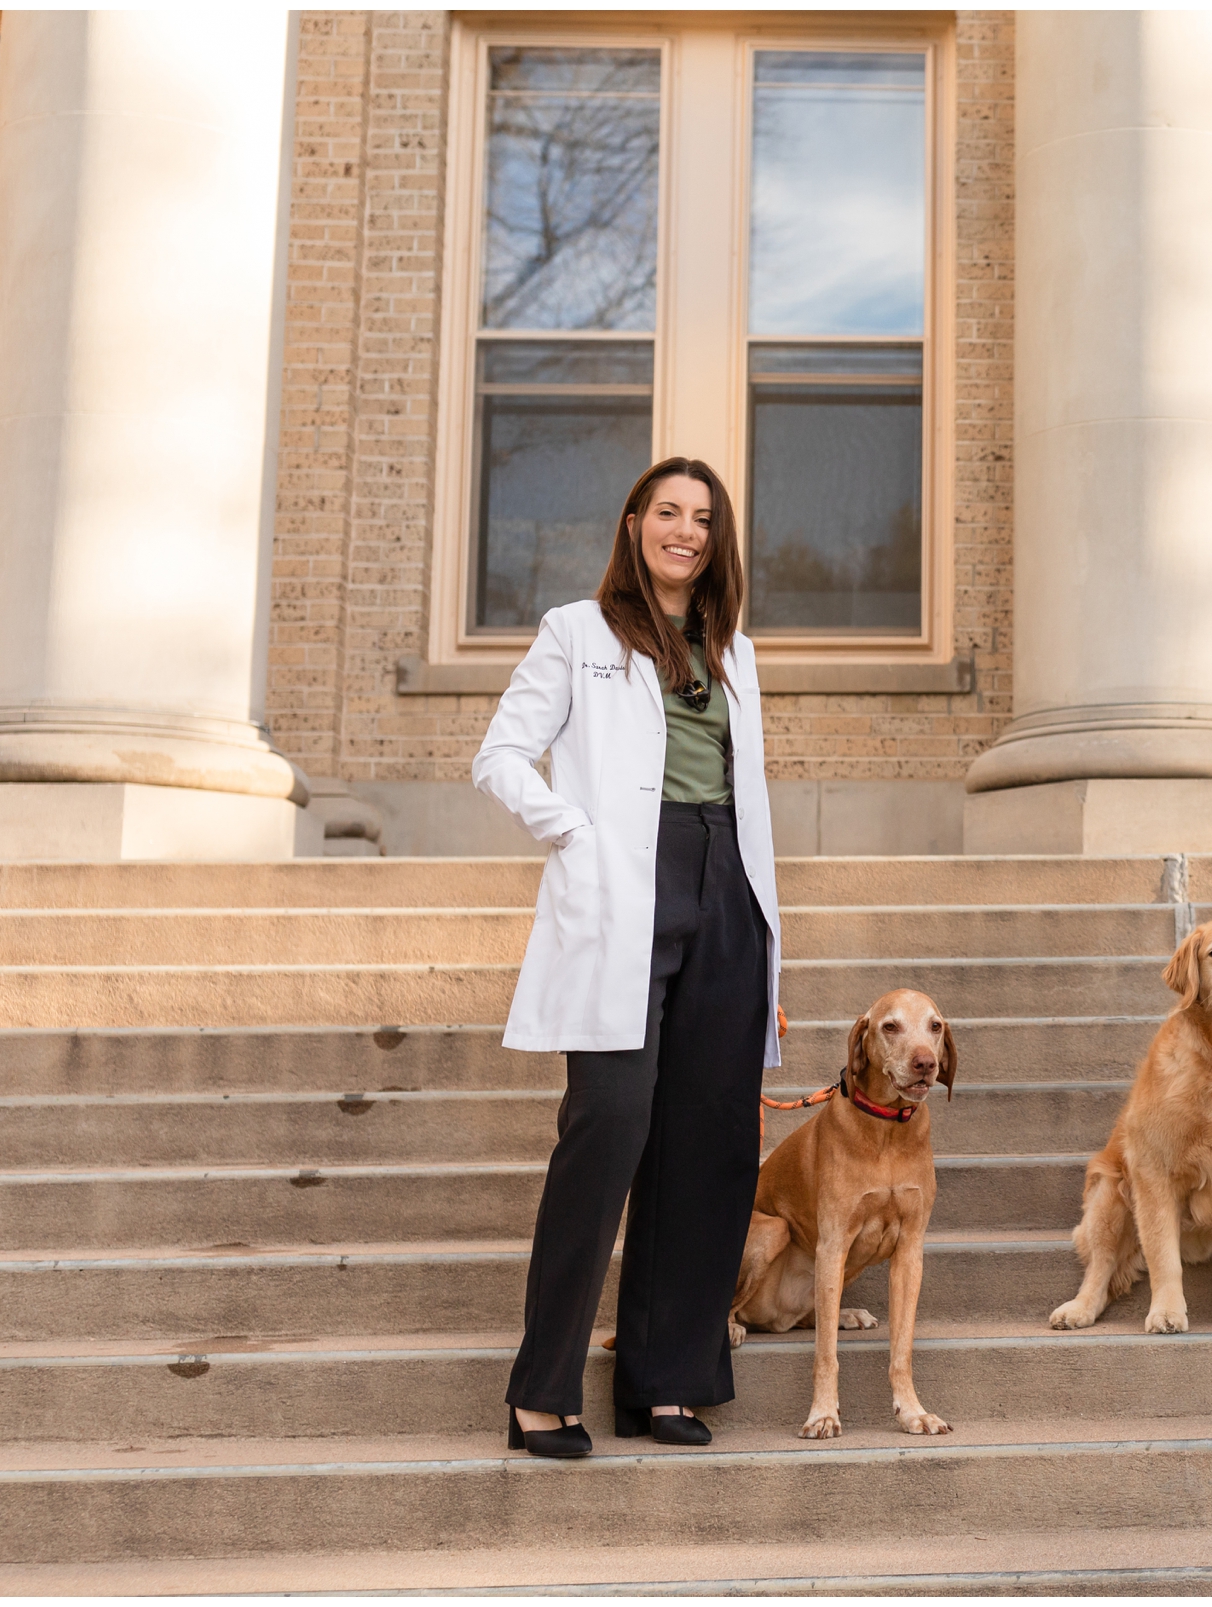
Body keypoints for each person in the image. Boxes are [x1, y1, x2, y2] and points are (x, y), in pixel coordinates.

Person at [474, 457, 784, 1456]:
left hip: (726, 891)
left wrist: (766, 958)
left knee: (709, 1149)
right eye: (668, 513)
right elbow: (500, 755)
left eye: (702, 517)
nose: (684, 531)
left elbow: (751, 800)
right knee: (607, 1132)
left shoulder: (734, 647)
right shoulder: (578, 628)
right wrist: (578, 832)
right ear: (633, 521)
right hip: (624, 892)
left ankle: (668, 1380)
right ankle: (541, 1390)